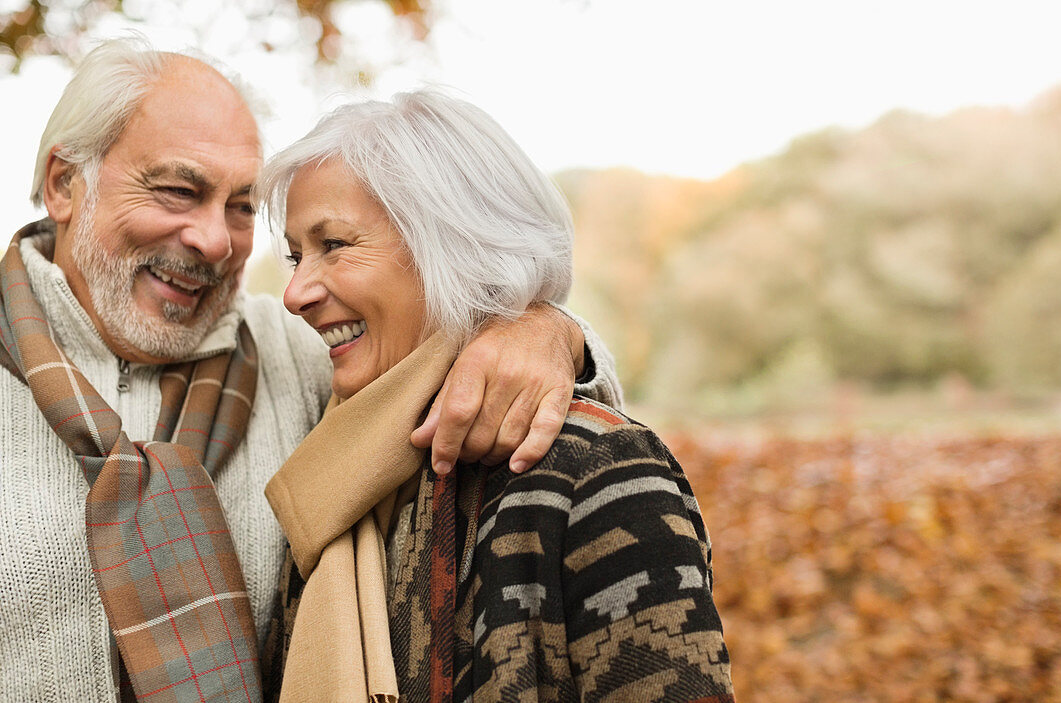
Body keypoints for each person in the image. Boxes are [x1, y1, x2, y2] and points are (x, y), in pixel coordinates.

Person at [0, 39, 621, 702]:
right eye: (179, 191)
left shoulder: (295, 355)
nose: (215, 240)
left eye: (241, 206)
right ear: (65, 184)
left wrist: (548, 330)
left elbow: (433, 338)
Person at [259, 91, 735, 703]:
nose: (294, 293)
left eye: (336, 245)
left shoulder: (597, 472)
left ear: (455, 244)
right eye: (297, 255)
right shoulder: (334, 479)